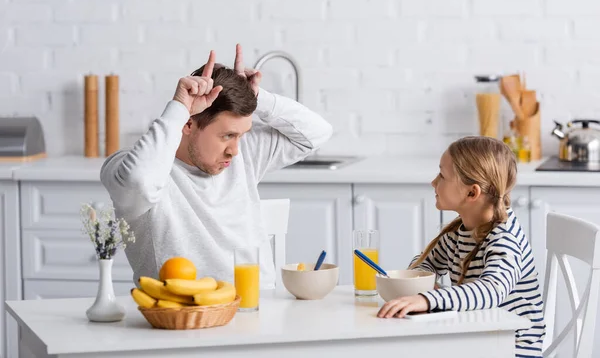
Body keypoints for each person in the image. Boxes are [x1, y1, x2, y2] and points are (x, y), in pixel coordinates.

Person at [100, 44, 333, 289]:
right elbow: (140, 182)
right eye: (226, 136)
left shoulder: (242, 153)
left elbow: (317, 133)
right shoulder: (131, 168)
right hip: (185, 314)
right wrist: (179, 107)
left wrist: (259, 99)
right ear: (188, 124)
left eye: (241, 135)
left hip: (259, 307)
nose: (235, 150)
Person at [378, 136, 545, 358]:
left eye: (442, 176)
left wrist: (428, 299)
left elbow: (491, 291)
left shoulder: (504, 238)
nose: (433, 182)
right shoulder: (460, 232)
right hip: (478, 339)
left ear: (472, 193)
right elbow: (424, 264)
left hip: (512, 349)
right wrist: (424, 283)